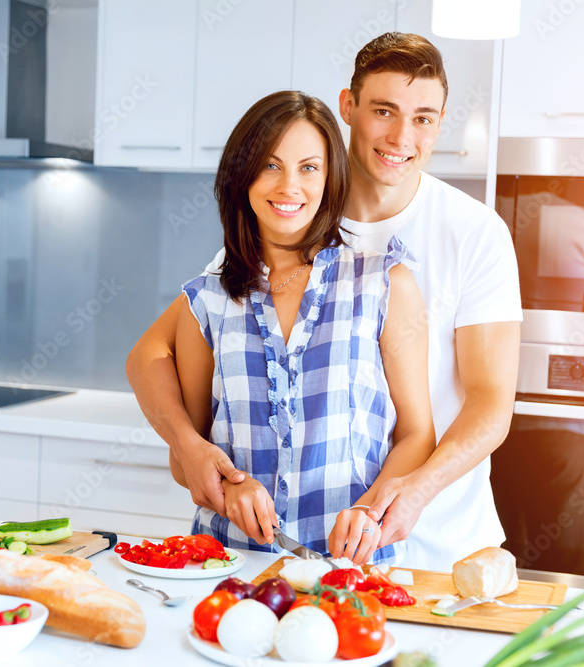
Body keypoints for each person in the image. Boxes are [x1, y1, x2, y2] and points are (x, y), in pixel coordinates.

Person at [127, 32, 522, 572]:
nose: (402, 135)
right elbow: (159, 350)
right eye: (384, 110)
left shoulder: (472, 233)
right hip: (266, 557)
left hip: (439, 537)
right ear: (349, 108)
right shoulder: (287, 220)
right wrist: (193, 452)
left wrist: (413, 489)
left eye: (424, 118)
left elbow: (490, 404)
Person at [174, 90, 434, 565]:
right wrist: (229, 488)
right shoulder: (206, 301)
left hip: (352, 568)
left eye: (309, 167)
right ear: (241, 176)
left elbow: (418, 434)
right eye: (270, 165)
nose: (289, 186)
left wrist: (369, 510)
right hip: (226, 566)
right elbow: (187, 455)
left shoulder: (383, 282)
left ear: (331, 177)